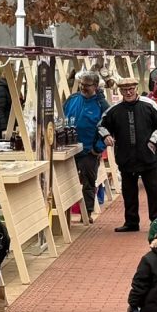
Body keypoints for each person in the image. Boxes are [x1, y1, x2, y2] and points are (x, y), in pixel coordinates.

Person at [100, 77, 157, 233]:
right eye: (124, 90)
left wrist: (153, 141)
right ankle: (131, 222)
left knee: (153, 190)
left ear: (136, 89)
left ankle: (156, 221)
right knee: (129, 192)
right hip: (125, 157)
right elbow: (101, 125)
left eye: (131, 89)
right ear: (120, 91)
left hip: (147, 156)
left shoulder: (149, 105)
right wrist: (106, 135)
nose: (128, 92)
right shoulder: (114, 110)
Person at [63, 70, 112, 216]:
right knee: (66, 183)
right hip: (69, 149)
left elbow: (109, 128)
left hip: (88, 152)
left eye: (87, 85)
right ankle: (67, 214)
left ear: (95, 86)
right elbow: (62, 117)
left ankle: (87, 213)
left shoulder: (101, 105)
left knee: (88, 183)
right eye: (82, 84)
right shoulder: (72, 99)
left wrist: (97, 149)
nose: (83, 87)